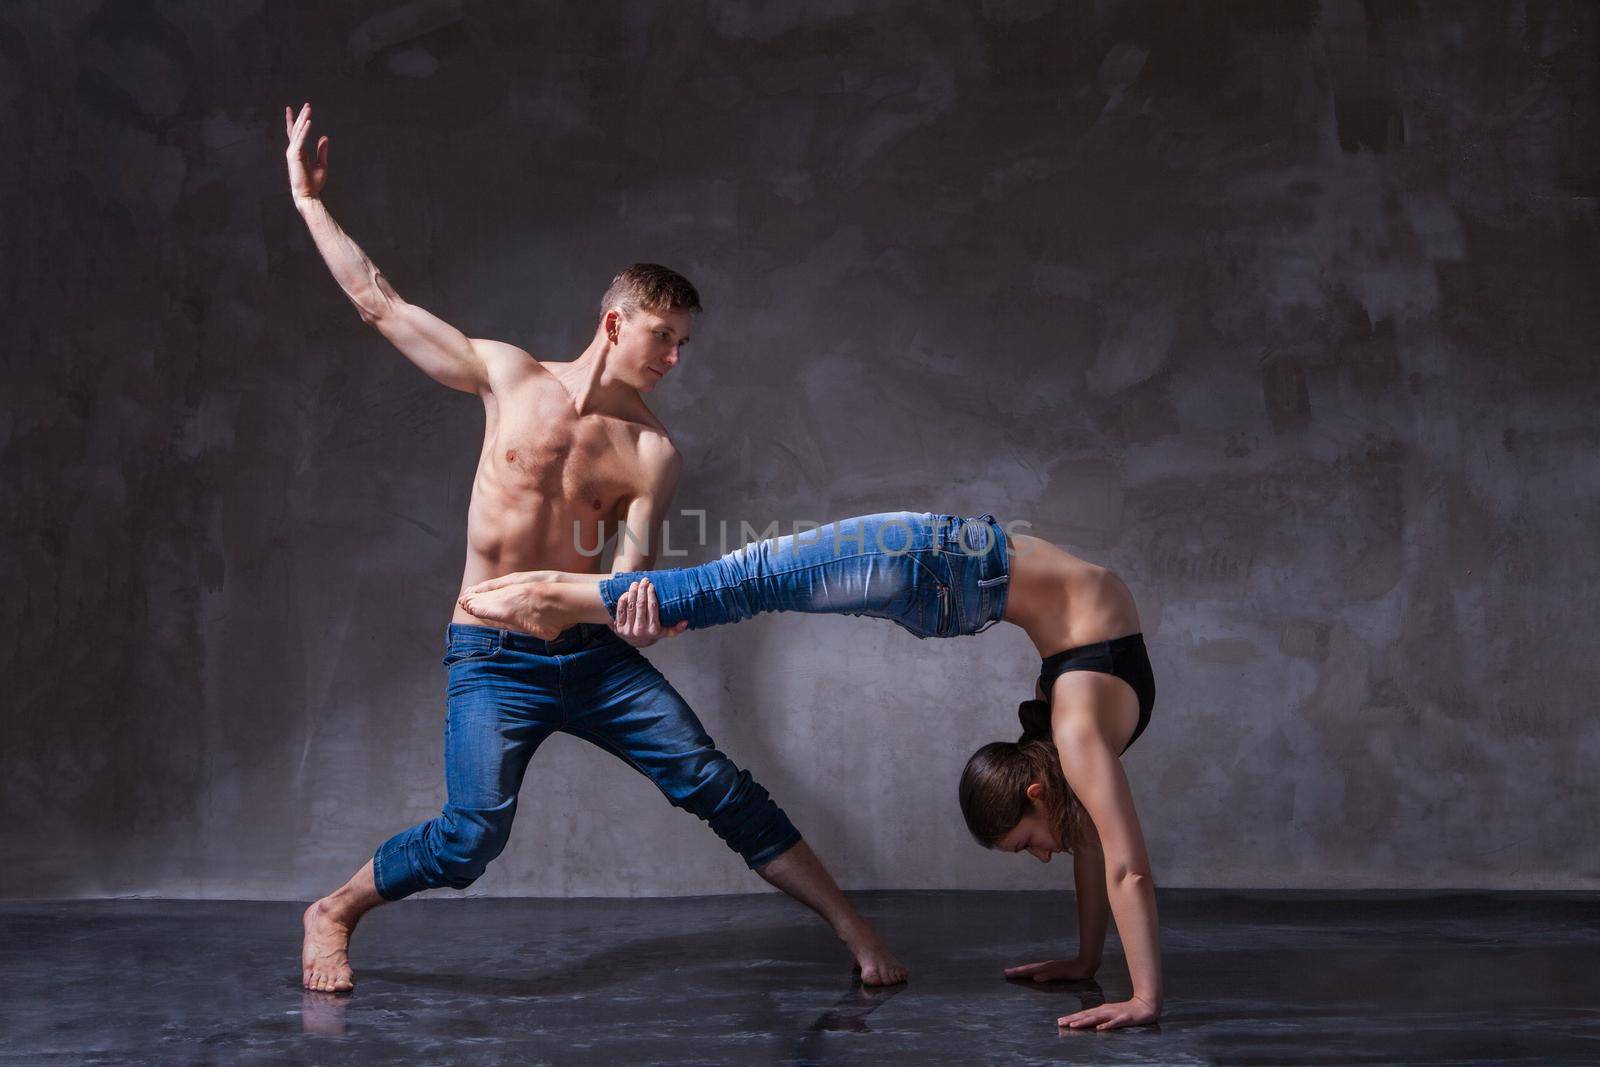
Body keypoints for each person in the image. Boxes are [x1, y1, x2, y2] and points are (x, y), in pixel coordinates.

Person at [284, 102, 907, 994]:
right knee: (471, 836)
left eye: (686, 344)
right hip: (490, 656)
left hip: (590, 655)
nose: (676, 358)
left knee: (714, 783)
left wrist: (643, 616)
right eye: (665, 336)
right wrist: (310, 201)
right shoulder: (508, 376)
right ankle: (333, 912)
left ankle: (856, 932)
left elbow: (627, 584)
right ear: (616, 321)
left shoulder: (654, 453)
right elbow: (379, 303)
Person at [457, 511, 1163, 1030]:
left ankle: (565, 596)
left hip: (950, 569)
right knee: (741, 581)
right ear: (1036, 789)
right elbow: (1127, 867)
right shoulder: (1075, 730)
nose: (1045, 851)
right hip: (937, 563)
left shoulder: (1077, 740)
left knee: (744, 583)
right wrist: (1144, 996)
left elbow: (1095, 841)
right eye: (1031, 841)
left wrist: (1084, 956)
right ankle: (560, 601)